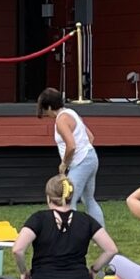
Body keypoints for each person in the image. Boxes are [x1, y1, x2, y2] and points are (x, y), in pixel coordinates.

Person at [15, 170, 125, 279]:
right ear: (71, 197)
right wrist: (94, 270)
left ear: (48, 197)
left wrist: (24, 272)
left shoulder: (38, 219)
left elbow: (17, 249)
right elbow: (111, 249)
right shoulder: (86, 220)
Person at [38, 87, 103, 225]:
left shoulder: (61, 120)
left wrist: (64, 164)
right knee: (89, 200)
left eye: (45, 110)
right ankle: (100, 237)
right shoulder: (72, 113)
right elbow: (90, 137)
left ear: (50, 107)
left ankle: (69, 236)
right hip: (91, 158)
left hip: (82, 163)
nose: (46, 113)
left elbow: (71, 145)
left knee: (68, 201)